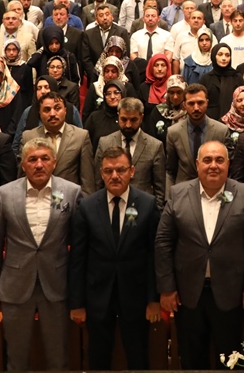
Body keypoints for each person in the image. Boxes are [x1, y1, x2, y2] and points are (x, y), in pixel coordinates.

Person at [155, 140, 244, 368]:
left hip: (232, 294)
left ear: (228, 164)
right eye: (207, 160)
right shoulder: (178, 193)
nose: (213, 165)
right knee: (192, 360)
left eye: (219, 160)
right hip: (187, 295)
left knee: (231, 362)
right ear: (197, 164)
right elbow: (163, 242)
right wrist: (167, 288)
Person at [0, 138, 81, 371]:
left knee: (58, 359)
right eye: (32, 159)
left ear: (54, 162)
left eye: (45, 158)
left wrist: (78, 290)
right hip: (15, 287)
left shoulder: (72, 192)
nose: (39, 164)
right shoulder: (4, 194)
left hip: (57, 286)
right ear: (23, 164)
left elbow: (79, 246)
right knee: (16, 360)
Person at [69, 143, 160, 368]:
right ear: (101, 173)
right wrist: (77, 303)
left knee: (138, 356)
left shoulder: (148, 204)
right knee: (98, 357)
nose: (115, 176)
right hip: (98, 296)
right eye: (109, 171)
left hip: (136, 295)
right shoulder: (87, 207)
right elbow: (78, 258)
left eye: (120, 170)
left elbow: (154, 256)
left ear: (132, 171)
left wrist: (153, 299)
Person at [95, 96, 166, 211]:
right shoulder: (105, 143)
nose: (128, 125)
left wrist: (156, 213)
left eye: (133, 120)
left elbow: (160, 189)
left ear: (141, 117)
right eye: (124, 119)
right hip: (111, 207)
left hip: (143, 209)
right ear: (118, 116)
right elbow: (98, 183)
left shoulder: (155, 146)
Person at [19, 93, 96, 195]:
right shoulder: (28, 137)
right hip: (36, 197)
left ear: (65, 110)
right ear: (40, 113)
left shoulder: (80, 136)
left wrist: (85, 203)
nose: (52, 114)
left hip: (69, 198)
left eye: (57, 108)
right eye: (47, 110)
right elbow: (21, 177)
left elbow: (87, 181)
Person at [165, 83, 230, 188]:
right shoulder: (173, 132)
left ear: (207, 103)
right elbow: (170, 170)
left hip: (213, 189)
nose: (196, 108)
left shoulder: (221, 131)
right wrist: (170, 195)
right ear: (184, 105)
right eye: (191, 103)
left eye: (200, 103)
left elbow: (227, 168)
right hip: (183, 191)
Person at [201, 43, 244, 121]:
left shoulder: (237, 77)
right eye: (220, 55)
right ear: (214, 56)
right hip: (210, 121)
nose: (224, 58)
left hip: (234, 120)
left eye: (227, 55)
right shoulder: (206, 78)